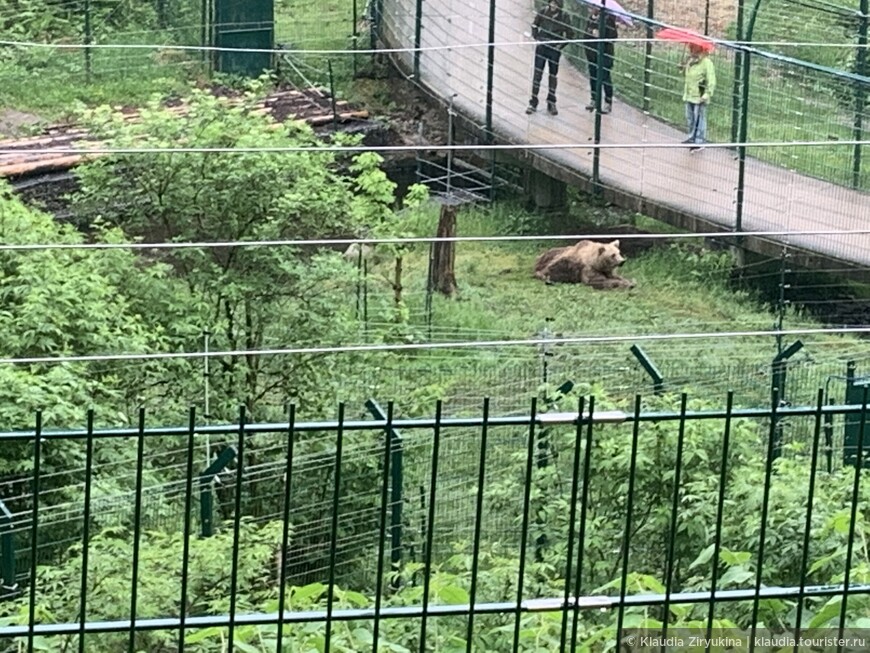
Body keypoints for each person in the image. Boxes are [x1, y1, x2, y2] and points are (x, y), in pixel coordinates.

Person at [526, 0, 573, 116]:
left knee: (553, 75)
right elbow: (534, 24)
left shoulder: (564, 16)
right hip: (542, 47)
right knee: (537, 74)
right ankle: (533, 102)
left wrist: (559, 46)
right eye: (552, 3)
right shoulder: (543, 11)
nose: (553, 6)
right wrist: (536, 36)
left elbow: (570, 34)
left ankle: (551, 101)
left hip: (554, 50)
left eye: (556, 4)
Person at [582, 5, 618, 115]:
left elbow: (613, 37)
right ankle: (594, 99)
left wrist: (600, 35)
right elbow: (586, 34)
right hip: (592, 54)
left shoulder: (608, 20)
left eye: (594, 6)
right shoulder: (591, 18)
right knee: (593, 76)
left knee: (605, 77)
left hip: (604, 55)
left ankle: (608, 101)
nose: (591, 8)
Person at [681, 43, 717, 151]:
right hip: (689, 94)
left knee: (699, 118)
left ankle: (699, 141)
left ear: (700, 48)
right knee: (690, 118)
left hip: (699, 95)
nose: (690, 49)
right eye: (690, 47)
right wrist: (682, 68)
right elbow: (688, 76)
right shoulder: (690, 61)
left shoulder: (707, 63)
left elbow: (712, 80)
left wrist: (707, 94)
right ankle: (691, 137)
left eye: (693, 47)